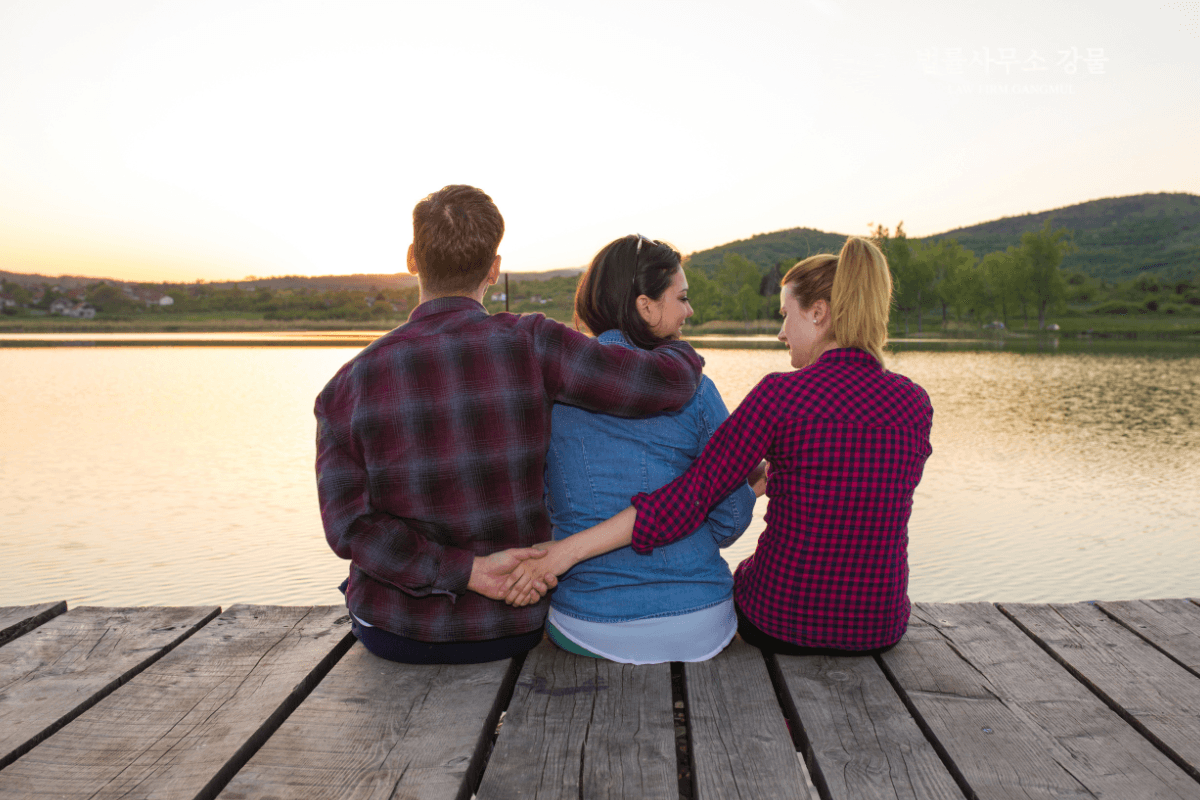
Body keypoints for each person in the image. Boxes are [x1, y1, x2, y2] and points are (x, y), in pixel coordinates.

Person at [315, 185, 706, 665]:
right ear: (494, 267)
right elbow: (660, 385)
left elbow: (350, 529)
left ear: (413, 259)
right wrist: (677, 344)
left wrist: (468, 572)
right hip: (509, 626)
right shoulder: (533, 342)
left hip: (397, 630)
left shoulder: (345, 387)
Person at [508, 236, 933, 656]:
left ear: (818, 313)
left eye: (786, 315)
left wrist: (564, 552)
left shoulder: (781, 396)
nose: (782, 332)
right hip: (880, 626)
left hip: (780, 620)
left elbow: (691, 496)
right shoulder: (915, 403)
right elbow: (849, 485)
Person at [542, 235, 756, 663]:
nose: (689, 311)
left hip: (589, 622)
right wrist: (685, 537)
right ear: (645, 307)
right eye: (682, 298)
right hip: (700, 621)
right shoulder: (697, 388)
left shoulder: (552, 386)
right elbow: (731, 519)